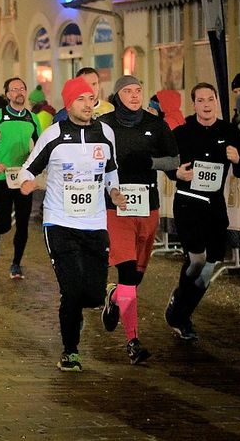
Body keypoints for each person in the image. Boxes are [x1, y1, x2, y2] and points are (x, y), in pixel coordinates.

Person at [19, 76, 127, 372]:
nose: (88, 104)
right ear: (69, 104)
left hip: (94, 222)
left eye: (90, 98)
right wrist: (27, 182)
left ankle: (106, 294)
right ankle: (70, 351)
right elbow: (30, 167)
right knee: (70, 290)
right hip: (59, 222)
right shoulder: (54, 134)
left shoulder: (105, 132)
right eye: (80, 99)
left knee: (90, 294)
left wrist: (114, 191)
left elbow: (111, 170)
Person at [99, 75, 179, 364]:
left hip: (148, 208)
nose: (134, 96)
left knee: (137, 276)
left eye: (138, 90)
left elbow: (174, 161)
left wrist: (149, 163)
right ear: (117, 95)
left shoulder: (155, 124)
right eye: (128, 91)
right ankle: (133, 340)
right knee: (128, 273)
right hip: (115, 208)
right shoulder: (104, 125)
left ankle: (113, 298)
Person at [164, 82, 240, 340]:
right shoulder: (183, 133)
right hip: (188, 202)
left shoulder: (229, 131)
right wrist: (177, 173)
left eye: (211, 99)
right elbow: (169, 164)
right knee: (197, 260)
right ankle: (179, 309)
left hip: (215, 206)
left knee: (208, 269)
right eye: (201, 100)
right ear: (194, 103)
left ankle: (182, 312)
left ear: (217, 102)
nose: (207, 105)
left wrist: (238, 159)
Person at [0, 77, 42, 279]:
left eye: (22, 88)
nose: (19, 92)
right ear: (7, 94)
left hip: (22, 177)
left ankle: (16, 264)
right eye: (14, 89)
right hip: (1, 176)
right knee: (4, 222)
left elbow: (41, 148)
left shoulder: (33, 119)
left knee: (23, 222)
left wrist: (33, 164)